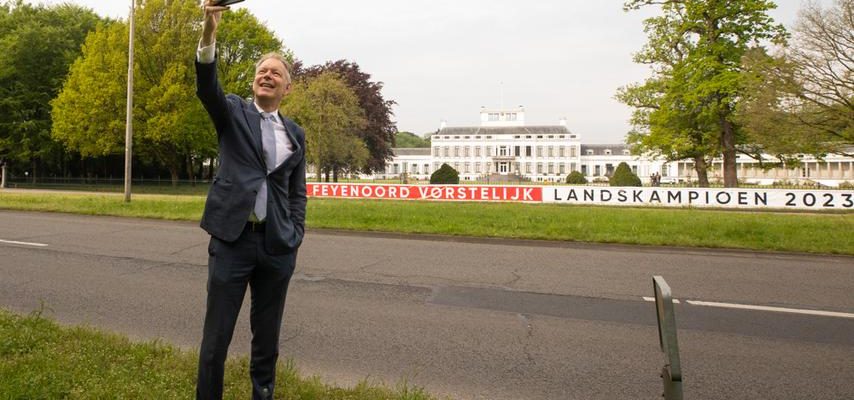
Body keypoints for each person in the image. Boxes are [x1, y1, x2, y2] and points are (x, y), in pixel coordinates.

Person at [195, 2, 306, 399]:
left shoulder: (294, 132)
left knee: (267, 339)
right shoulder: (234, 113)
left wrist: (295, 233)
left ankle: (263, 394)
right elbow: (207, 85)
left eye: (276, 72)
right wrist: (209, 30)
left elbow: (297, 190)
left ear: (287, 87)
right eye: (262, 70)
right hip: (232, 241)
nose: (267, 75)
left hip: (276, 245)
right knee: (215, 340)